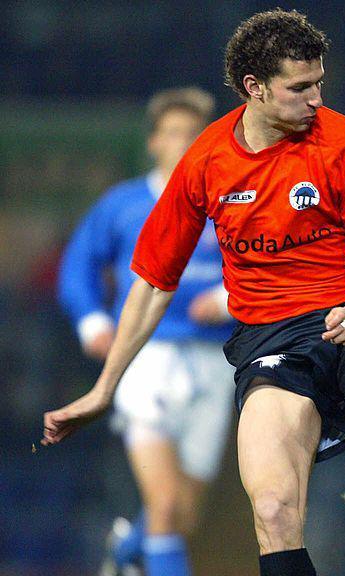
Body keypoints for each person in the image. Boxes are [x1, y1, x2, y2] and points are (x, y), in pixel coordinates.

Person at [42, 10, 345, 576]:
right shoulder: (207, 160)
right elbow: (151, 283)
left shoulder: (342, 140)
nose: (317, 99)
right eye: (300, 87)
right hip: (269, 339)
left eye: (319, 83)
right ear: (255, 87)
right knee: (272, 510)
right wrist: (104, 388)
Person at [58, 87, 233, 576]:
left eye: (194, 133)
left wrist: (227, 298)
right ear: (154, 141)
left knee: (184, 514)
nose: (184, 142)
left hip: (214, 361)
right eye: (174, 132)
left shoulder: (230, 203)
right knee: (164, 503)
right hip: (145, 358)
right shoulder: (124, 204)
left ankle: (125, 553)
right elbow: (78, 265)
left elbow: (263, 264)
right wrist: (92, 320)